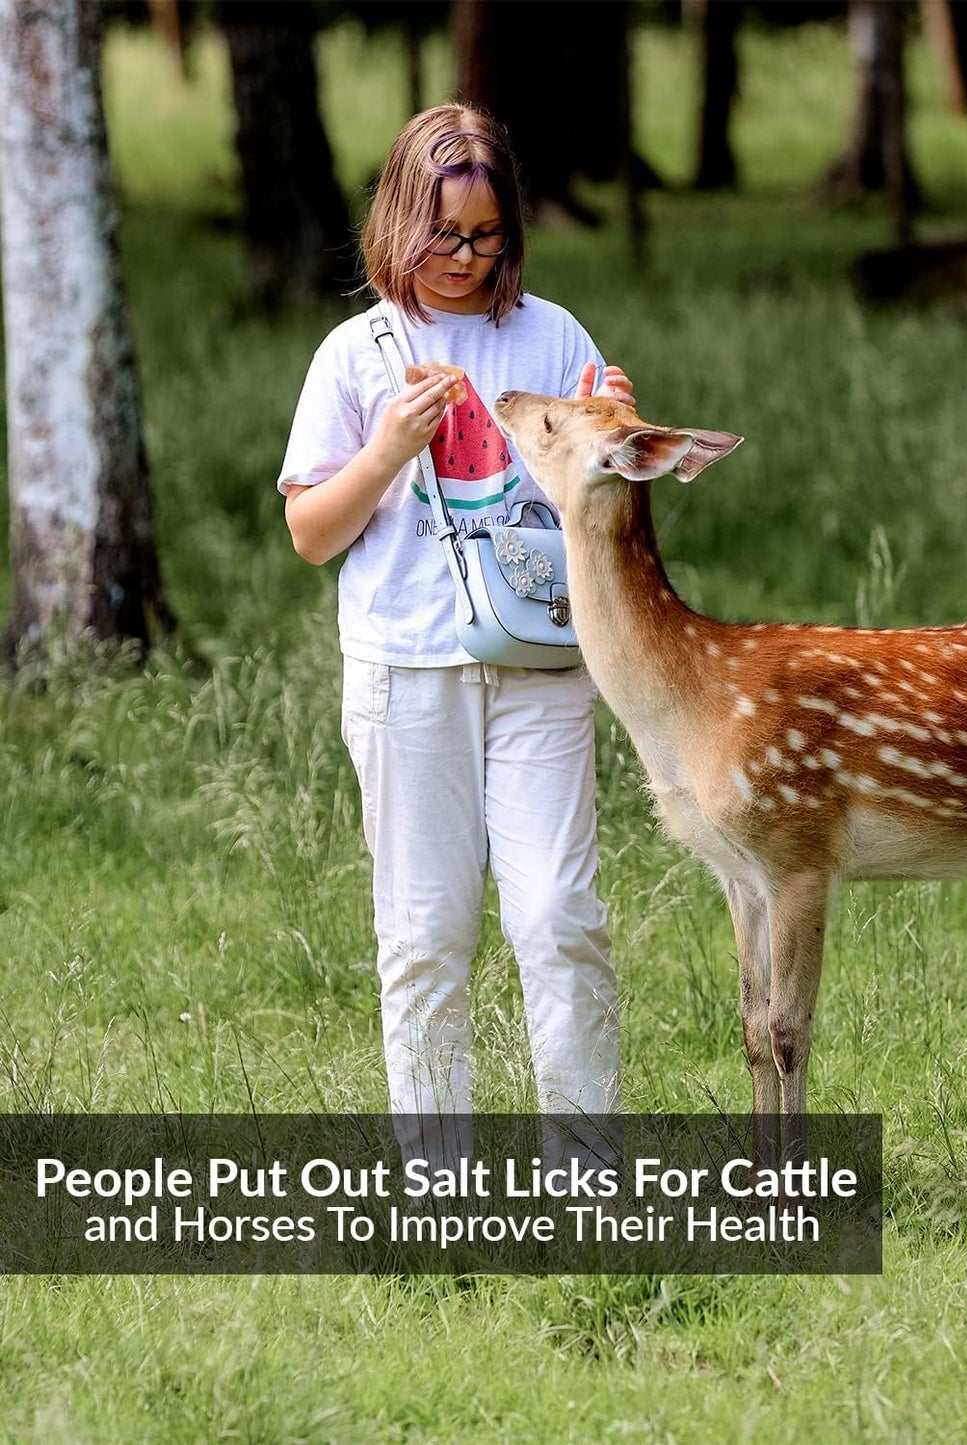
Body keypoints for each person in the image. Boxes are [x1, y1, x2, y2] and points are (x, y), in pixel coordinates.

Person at [277, 104, 629, 1162]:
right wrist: (384, 451)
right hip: (407, 670)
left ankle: (586, 1175)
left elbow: (603, 497)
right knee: (426, 934)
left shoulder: (551, 334)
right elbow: (308, 531)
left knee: (558, 917)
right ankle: (439, 1183)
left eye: (485, 235)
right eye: (444, 235)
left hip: (540, 665)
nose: (465, 258)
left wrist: (612, 425)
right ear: (397, 221)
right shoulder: (356, 354)